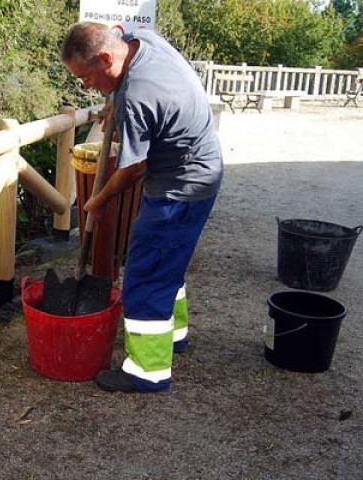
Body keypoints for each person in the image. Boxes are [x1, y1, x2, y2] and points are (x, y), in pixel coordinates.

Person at [61, 23, 223, 393]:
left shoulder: (138, 96)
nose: (85, 85)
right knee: (169, 262)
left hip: (179, 186)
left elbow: (134, 167)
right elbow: (118, 29)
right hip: (205, 168)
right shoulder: (142, 42)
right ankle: (174, 336)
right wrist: (109, 103)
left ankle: (147, 371)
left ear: (106, 58)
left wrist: (99, 201)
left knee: (145, 273)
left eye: (86, 76)